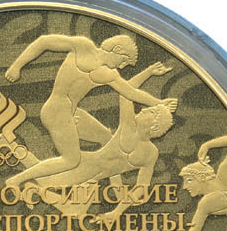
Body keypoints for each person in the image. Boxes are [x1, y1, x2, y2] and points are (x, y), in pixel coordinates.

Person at [4, 34, 177, 186]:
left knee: (105, 135)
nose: (123, 66)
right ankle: (17, 180)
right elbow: (44, 41)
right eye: (124, 61)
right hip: (56, 112)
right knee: (71, 160)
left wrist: (158, 102)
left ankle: (116, 188)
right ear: (117, 49)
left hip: (72, 113)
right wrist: (16, 66)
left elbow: (130, 92)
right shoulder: (82, 45)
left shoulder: (109, 74)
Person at [31, 63, 175, 218]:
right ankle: (18, 152)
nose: (144, 109)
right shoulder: (140, 141)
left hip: (91, 178)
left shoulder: (145, 147)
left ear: (154, 127)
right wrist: (149, 72)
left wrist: (116, 212)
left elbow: (142, 187)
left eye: (151, 112)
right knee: (43, 182)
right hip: (83, 166)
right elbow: (127, 90)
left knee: (64, 202)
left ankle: (18, 155)